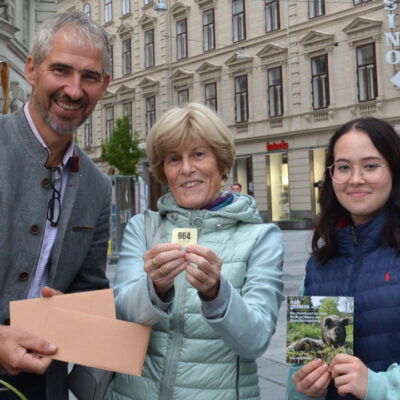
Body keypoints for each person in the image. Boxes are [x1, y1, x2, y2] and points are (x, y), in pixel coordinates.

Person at [106, 103, 284, 400]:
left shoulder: (260, 237)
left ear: (222, 163)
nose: (187, 168)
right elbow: (122, 314)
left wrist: (217, 292)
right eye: (174, 159)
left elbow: (255, 341)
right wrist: (156, 288)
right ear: (163, 171)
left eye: (199, 154)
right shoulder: (144, 227)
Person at [0, 11, 111, 400]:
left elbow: (89, 291)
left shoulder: (98, 187)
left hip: (43, 386)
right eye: (61, 70)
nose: (74, 90)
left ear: (105, 85)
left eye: (90, 77)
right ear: (31, 69)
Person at [287, 117, 400, 400]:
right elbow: (298, 375)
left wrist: (380, 387)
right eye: (344, 167)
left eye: (371, 166)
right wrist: (303, 388)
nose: (355, 179)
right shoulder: (319, 264)